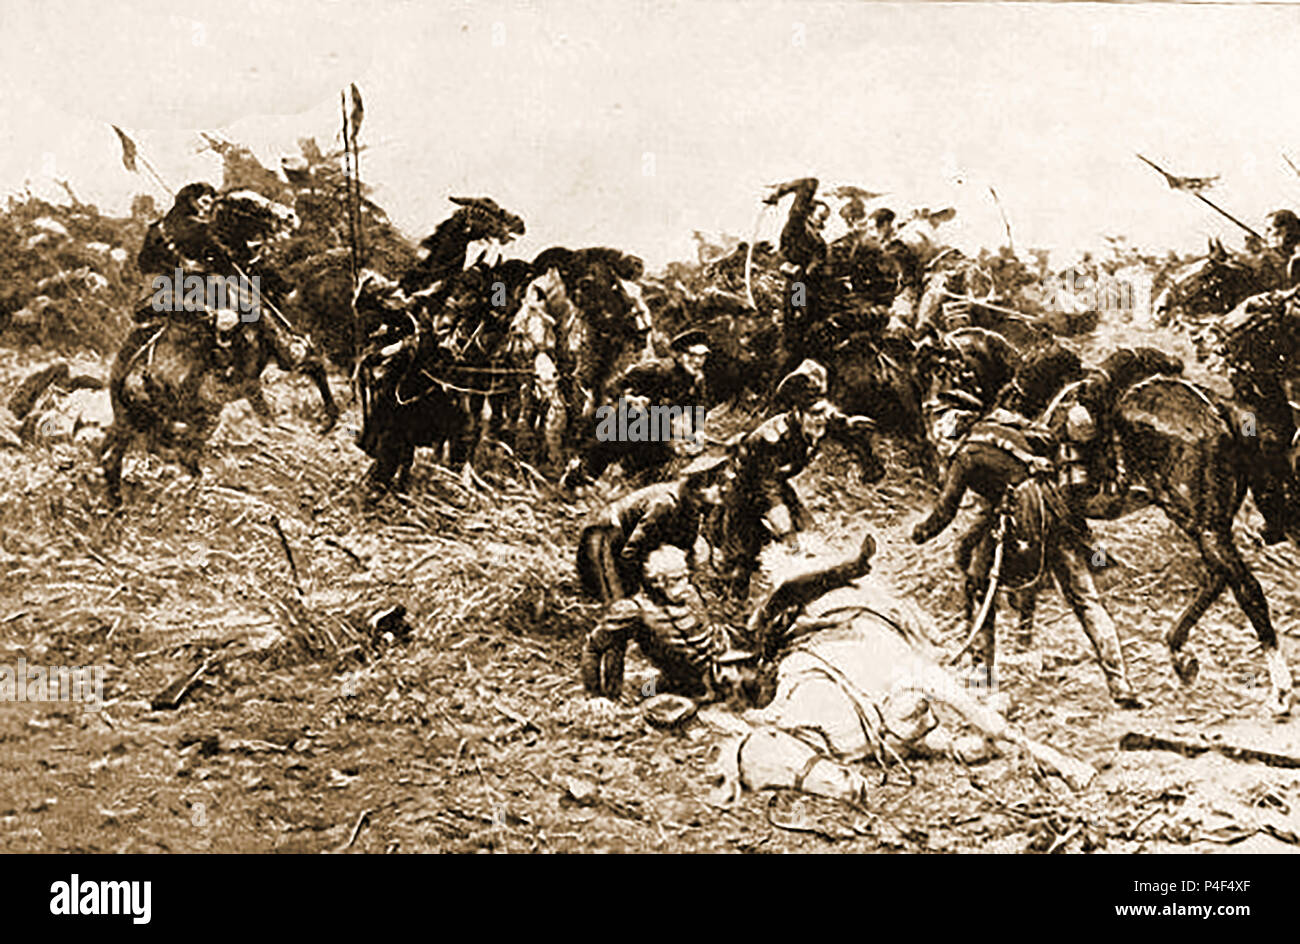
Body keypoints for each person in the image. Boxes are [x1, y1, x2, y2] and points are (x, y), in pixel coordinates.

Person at [910, 410, 1141, 709]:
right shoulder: (1004, 429)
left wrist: (920, 533)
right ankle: (1120, 683)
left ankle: (981, 683)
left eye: (941, 439)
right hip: (1057, 509)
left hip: (1021, 519)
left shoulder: (966, 456)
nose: (940, 446)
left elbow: (945, 510)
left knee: (981, 589)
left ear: (951, 436)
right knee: (1085, 598)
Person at [581, 532, 876, 701]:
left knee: (781, 594)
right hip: (699, 679)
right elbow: (593, 648)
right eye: (678, 579)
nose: (686, 584)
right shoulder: (633, 611)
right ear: (660, 582)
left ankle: (854, 566)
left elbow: (711, 630)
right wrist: (596, 698)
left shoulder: (689, 594)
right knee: (770, 685)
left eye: (685, 576)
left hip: (730, 643)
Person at [711, 360, 877, 598]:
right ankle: (734, 606)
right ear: (797, 413)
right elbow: (768, 491)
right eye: (814, 414)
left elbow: (842, 426)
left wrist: (861, 449)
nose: (821, 420)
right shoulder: (772, 440)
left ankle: (823, 582)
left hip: (776, 484)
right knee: (742, 558)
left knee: (810, 534)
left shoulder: (823, 419)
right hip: (744, 488)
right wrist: (787, 533)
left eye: (823, 412)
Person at [576, 455, 725, 603]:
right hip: (603, 539)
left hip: (628, 545)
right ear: (700, 487)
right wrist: (636, 589)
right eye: (717, 484)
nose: (723, 489)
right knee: (619, 603)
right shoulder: (665, 503)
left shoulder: (693, 507)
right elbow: (630, 552)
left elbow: (685, 545)